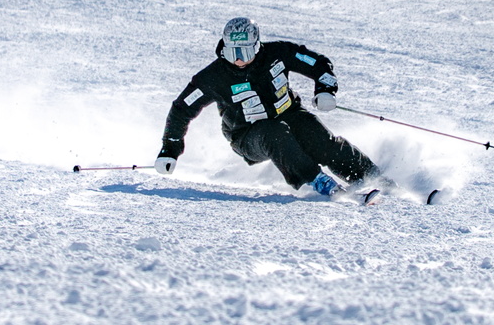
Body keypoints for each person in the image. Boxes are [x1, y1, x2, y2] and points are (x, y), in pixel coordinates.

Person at [156, 17, 379, 197]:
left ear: (257, 45)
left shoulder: (278, 54)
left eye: (245, 52)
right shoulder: (214, 76)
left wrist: (325, 90)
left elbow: (318, 64)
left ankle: (372, 176)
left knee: (319, 140)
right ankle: (316, 182)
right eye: (233, 52)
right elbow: (181, 109)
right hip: (247, 135)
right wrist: (170, 149)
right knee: (275, 135)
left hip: (290, 113)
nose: (239, 60)